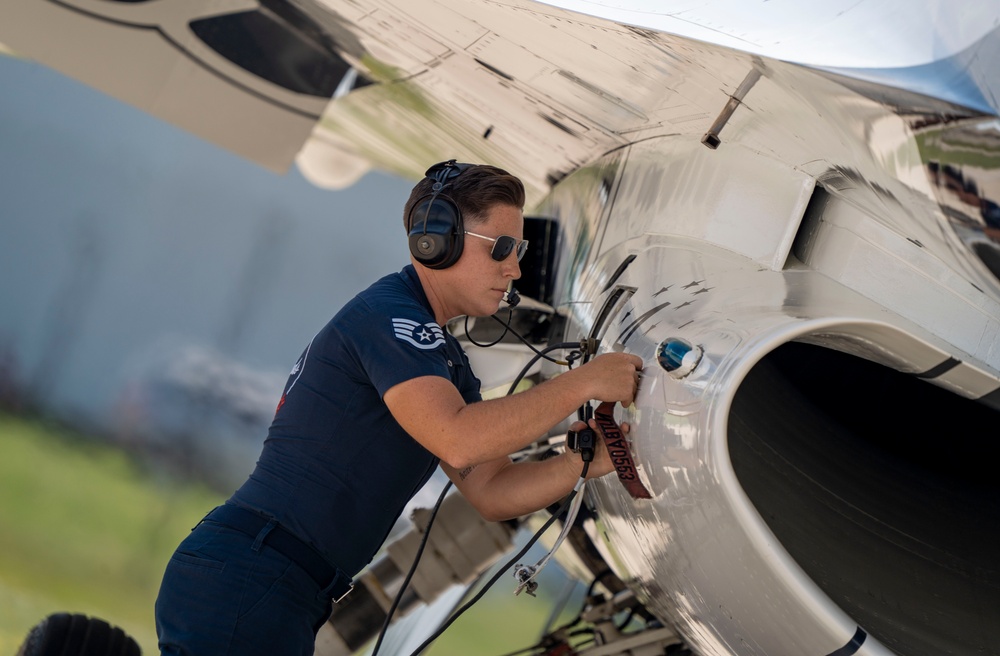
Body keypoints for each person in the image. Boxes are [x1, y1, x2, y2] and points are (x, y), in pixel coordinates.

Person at [154, 160, 643, 655]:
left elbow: (492, 490)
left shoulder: (441, 357)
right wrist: (583, 382)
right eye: (499, 248)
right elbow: (460, 437)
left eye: (519, 251)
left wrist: (584, 461)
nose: (514, 269)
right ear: (435, 239)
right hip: (256, 575)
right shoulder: (391, 318)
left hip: (273, 581)